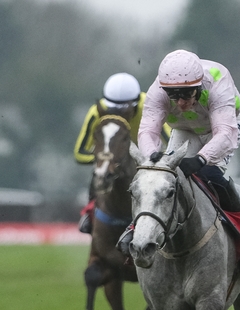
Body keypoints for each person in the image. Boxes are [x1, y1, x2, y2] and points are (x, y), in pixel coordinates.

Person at [119, 49, 240, 270]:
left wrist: (201, 159)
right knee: (163, 178)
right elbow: (147, 132)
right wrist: (152, 157)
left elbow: (225, 134)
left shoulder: (217, 81)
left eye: (187, 94)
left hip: (222, 128)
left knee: (210, 175)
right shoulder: (157, 90)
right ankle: (136, 228)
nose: (180, 102)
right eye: (174, 96)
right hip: (184, 129)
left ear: (198, 86)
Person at [73, 73, 170, 234]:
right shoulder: (97, 112)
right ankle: (90, 212)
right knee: (99, 172)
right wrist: (104, 158)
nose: (117, 115)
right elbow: (80, 153)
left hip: (146, 160)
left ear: (136, 104)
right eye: (112, 109)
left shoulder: (149, 106)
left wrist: (153, 161)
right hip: (113, 162)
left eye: (124, 110)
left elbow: (170, 140)